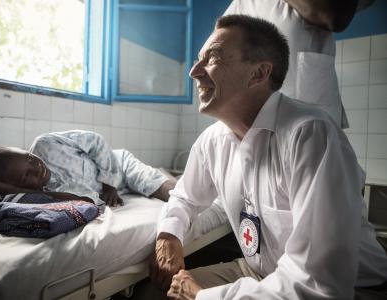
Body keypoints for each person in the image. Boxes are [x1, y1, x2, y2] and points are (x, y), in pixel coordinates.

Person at [148, 15, 387, 300]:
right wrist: (169, 234)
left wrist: (202, 296)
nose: (194, 72)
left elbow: (318, 283)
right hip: (259, 273)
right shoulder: (212, 141)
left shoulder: (309, 134)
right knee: (158, 292)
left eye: (211, 58)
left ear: (259, 74)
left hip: (348, 288)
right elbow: (185, 197)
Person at [223, 0, 374, 128]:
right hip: (263, 118)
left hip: (309, 112)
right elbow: (216, 47)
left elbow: (335, 14)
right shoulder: (242, 4)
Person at [0, 130, 176, 207]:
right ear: (16, 187)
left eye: (28, 158)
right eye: (26, 176)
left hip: (119, 164)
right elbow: (87, 200)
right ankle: (162, 170)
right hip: (120, 190)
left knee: (155, 185)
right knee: (147, 181)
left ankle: (163, 175)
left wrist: (109, 185)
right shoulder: (48, 195)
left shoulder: (45, 144)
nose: (36, 167)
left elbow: (96, 141)